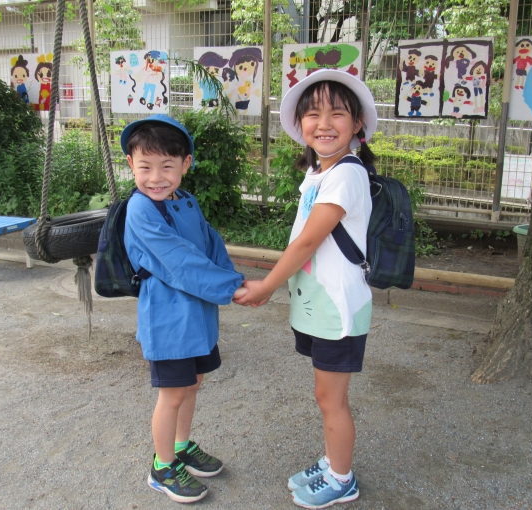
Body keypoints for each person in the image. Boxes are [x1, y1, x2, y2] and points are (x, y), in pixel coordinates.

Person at [233, 69, 377, 508]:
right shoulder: (320, 173)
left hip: (338, 307)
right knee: (324, 395)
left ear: (357, 126)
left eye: (337, 113)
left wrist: (267, 287)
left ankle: (342, 479)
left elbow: (309, 241)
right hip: (318, 304)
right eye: (313, 114)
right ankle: (334, 462)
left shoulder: (346, 174)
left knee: (331, 400)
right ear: (300, 126)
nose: (324, 123)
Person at [121, 114, 246, 504]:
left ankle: (181, 445)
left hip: (198, 317)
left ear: (186, 165)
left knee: (192, 385)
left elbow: (211, 245)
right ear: (131, 165)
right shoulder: (141, 209)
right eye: (145, 167)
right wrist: (233, 288)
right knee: (172, 393)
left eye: (167, 167)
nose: (156, 177)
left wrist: (236, 281)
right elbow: (179, 263)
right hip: (168, 320)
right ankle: (161, 466)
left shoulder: (185, 200)